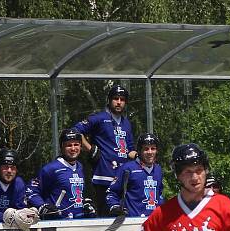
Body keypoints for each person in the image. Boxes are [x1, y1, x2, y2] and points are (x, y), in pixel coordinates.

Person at [73, 84, 136, 216]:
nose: (119, 102)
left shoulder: (126, 123)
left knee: (121, 217)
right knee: (104, 217)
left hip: (122, 178)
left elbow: (129, 149)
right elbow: (76, 131)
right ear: (109, 100)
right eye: (115, 98)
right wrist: (90, 149)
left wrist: (142, 156)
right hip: (103, 176)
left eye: (122, 99)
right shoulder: (99, 118)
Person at [25, 128, 96, 220]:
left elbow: (83, 193)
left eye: (76, 144)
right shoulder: (51, 168)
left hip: (79, 223)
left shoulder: (81, 167)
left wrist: (87, 203)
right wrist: (42, 206)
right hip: (58, 223)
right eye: (69, 145)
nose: (73, 148)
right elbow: (31, 190)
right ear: (62, 147)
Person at [105, 132, 163, 218]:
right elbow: (112, 192)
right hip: (132, 222)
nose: (150, 152)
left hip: (154, 221)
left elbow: (159, 194)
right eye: (146, 149)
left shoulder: (158, 169)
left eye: (153, 148)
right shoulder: (127, 168)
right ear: (139, 151)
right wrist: (115, 207)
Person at [0, 148, 38, 230]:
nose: (9, 171)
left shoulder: (19, 183)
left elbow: (20, 208)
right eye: (5, 167)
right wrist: (6, 217)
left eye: (13, 167)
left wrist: (27, 214)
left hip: (8, 228)